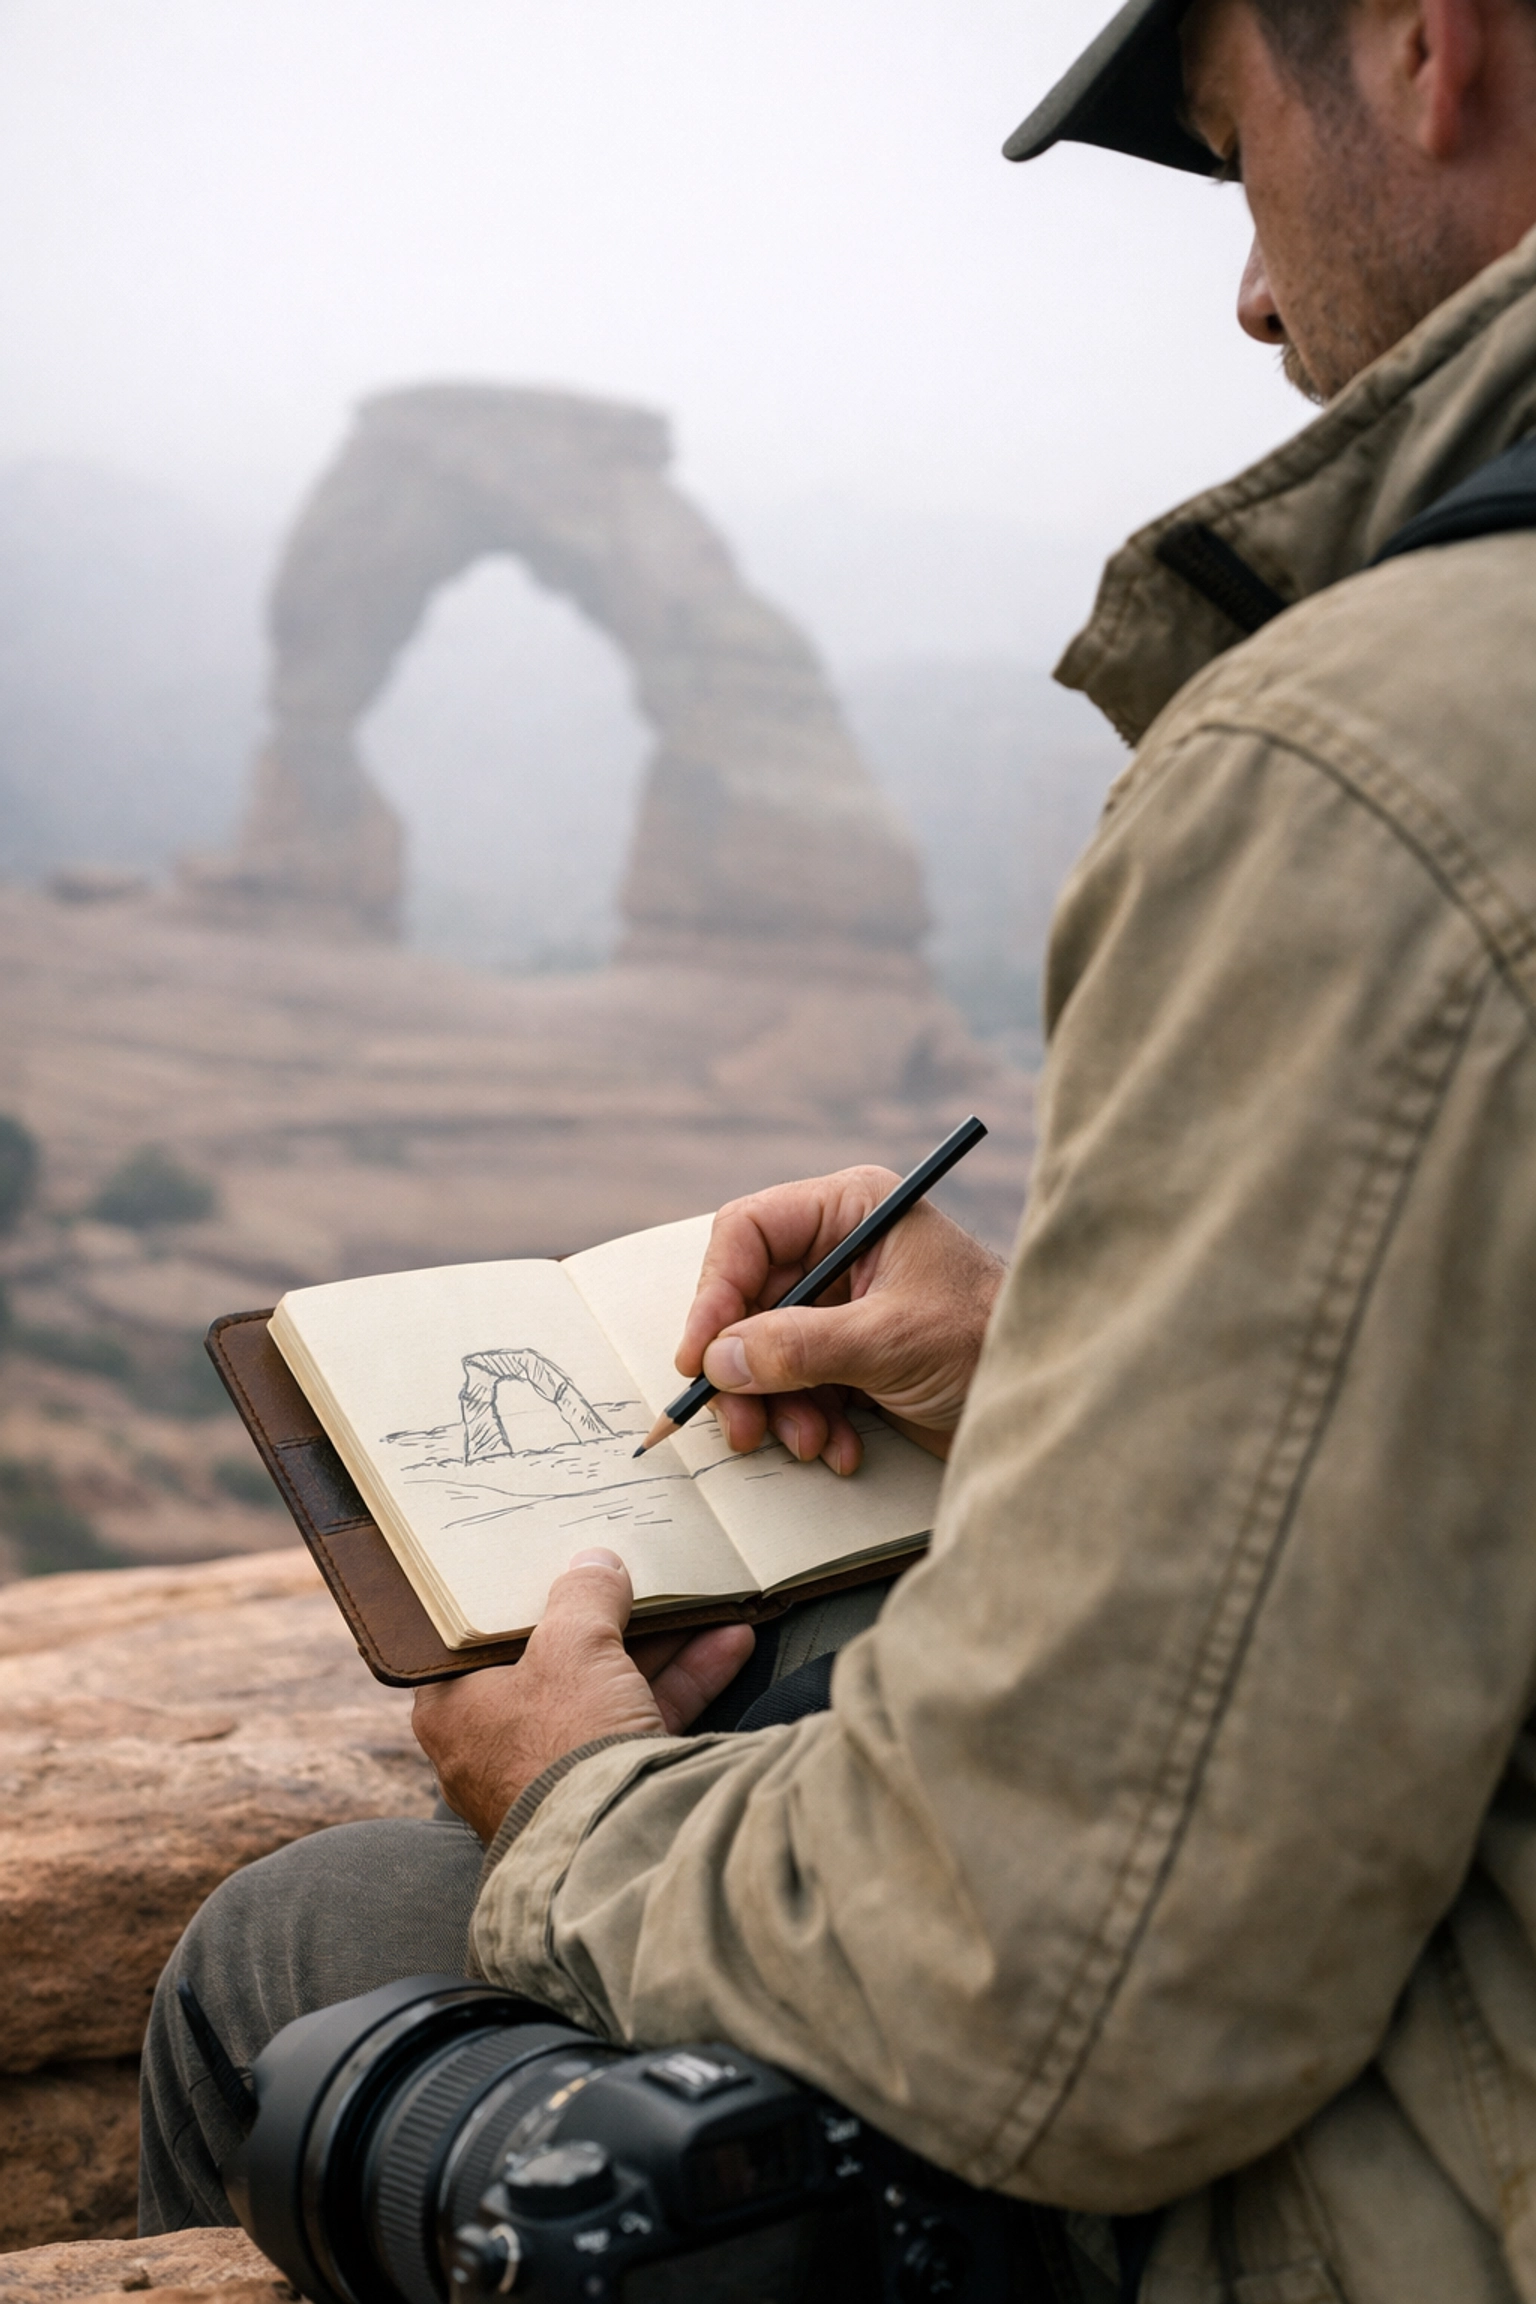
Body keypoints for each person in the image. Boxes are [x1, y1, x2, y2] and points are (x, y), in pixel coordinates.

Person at [142, 0, 1536, 2295]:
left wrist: (578, 1797)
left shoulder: (1377, 756)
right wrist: (1044, 1377)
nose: (1256, 291)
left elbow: (1056, 2001)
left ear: (1419, 42)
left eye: (1226, 144)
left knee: (296, 1960)